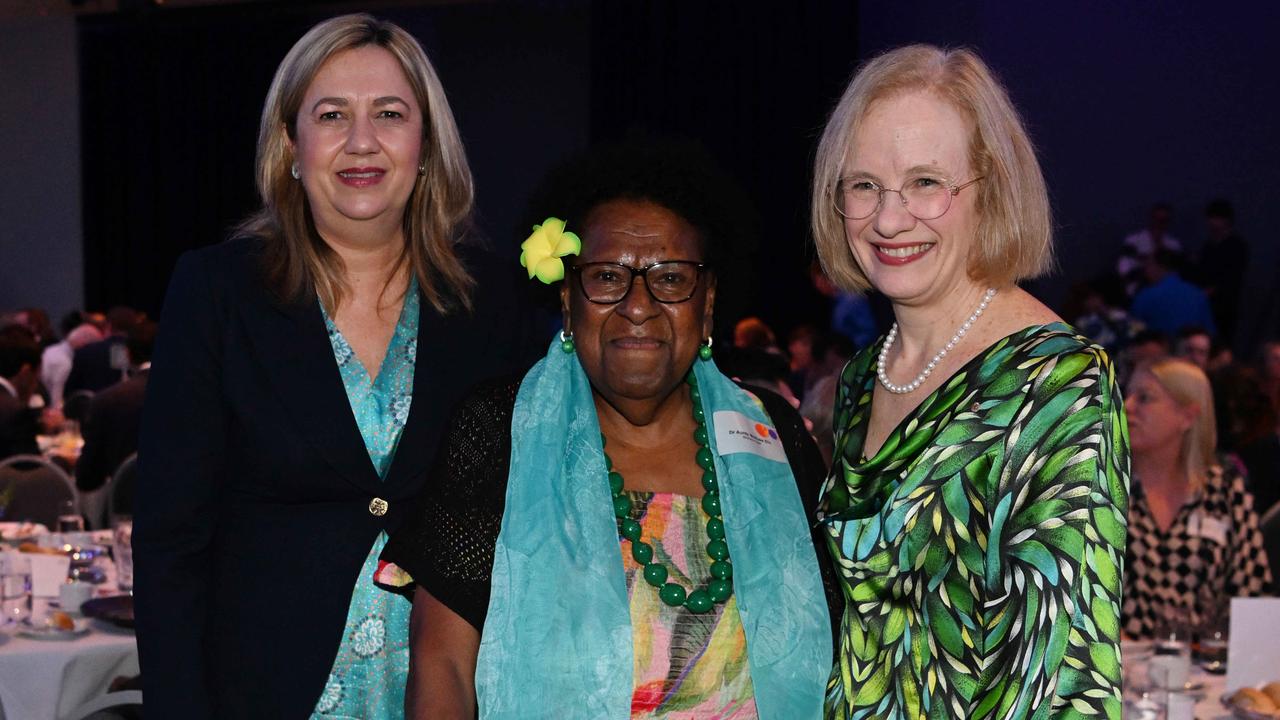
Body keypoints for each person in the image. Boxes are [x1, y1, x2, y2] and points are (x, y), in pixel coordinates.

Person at [133, 15, 536, 718]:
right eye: (331, 115)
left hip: (451, 691)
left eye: (389, 114)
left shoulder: (498, 302)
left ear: (426, 145)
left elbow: (525, 526)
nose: (361, 142)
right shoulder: (216, 293)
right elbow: (171, 547)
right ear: (291, 145)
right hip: (264, 692)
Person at [377, 142, 835, 719]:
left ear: (709, 302)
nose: (638, 305)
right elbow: (442, 664)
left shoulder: (776, 434)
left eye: (670, 279)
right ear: (568, 300)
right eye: (607, 277)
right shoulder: (498, 432)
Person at [810, 45, 1129, 719]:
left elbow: (1059, 689)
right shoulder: (866, 376)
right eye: (864, 184)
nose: (889, 219)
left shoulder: (1055, 385)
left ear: (990, 191)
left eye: (926, 182)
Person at [1121, 358, 1272, 638]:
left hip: (1206, 668)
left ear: (1187, 416)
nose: (1127, 406)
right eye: (1127, 394)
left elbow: (1252, 593)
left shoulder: (1223, 491)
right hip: (1116, 667)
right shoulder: (1107, 487)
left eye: (1144, 398)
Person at [75, 319, 156, 494]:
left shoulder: (107, 400)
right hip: (192, 509)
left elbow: (87, 479)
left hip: (126, 509)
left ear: (127, 354)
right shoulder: (195, 395)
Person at [1129, 249, 1216, 338]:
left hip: (1158, 350)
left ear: (1160, 267)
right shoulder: (1198, 295)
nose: (1145, 271)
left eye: (1148, 265)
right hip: (1191, 350)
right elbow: (1210, 334)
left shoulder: (1145, 297)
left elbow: (1134, 335)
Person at [65, 305, 139, 394]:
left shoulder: (85, 352)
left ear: (109, 325)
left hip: (93, 405)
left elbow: (70, 391)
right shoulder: (142, 351)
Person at [1118, 202, 1183, 298]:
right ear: (1151, 219)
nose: (1160, 223)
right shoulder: (1133, 241)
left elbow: (1176, 274)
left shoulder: (1174, 245)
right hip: (1138, 291)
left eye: (1164, 220)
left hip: (1166, 294)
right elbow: (1124, 270)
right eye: (1157, 219)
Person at [0, 325, 44, 459]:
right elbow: (30, 470)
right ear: (25, 372)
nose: (36, 385)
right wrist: (63, 461)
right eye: (37, 377)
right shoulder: (16, 412)